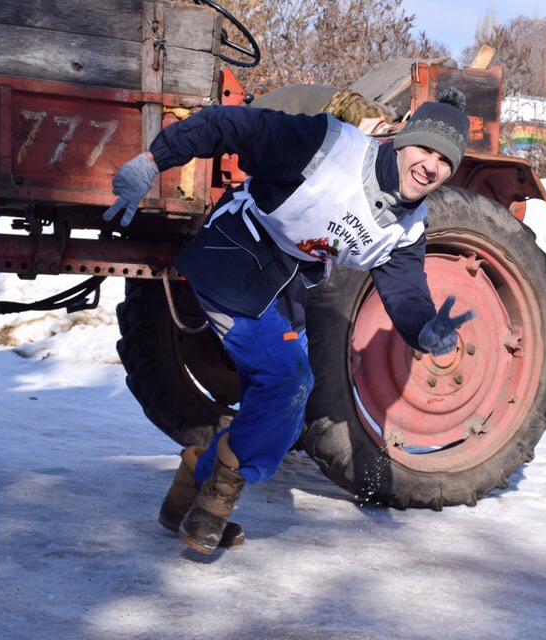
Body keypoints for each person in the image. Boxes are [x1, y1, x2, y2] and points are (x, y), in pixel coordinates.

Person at [103, 88, 476, 555]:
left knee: (292, 407)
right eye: (425, 148)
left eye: (445, 160)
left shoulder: (409, 227)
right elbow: (231, 124)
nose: (431, 165)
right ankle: (214, 505)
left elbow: (405, 291)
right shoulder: (329, 146)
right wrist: (153, 161)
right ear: (403, 140)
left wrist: (424, 328)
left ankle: (188, 495)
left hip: (286, 285)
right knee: (288, 379)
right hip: (236, 258)